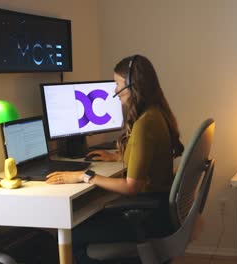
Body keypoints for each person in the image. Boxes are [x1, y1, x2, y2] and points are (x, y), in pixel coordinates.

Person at [46, 54, 184, 263]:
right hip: (159, 210)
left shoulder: (145, 123)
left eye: (117, 83)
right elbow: (148, 155)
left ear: (132, 85)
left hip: (148, 217)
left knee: (74, 234)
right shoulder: (156, 114)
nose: (114, 91)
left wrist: (85, 176)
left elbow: (131, 187)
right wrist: (117, 156)